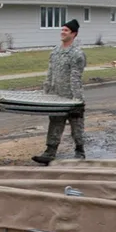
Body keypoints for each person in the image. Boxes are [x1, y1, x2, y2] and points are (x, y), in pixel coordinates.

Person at [33, 19, 87, 164]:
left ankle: (80, 151)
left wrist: (78, 101)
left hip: (71, 97)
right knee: (55, 123)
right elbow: (50, 73)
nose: (62, 32)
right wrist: (46, 92)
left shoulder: (77, 54)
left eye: (66, 30)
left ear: (74, 34)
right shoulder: (55, 52)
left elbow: (76, 77)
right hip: (56, 96)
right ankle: (50, 152)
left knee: (76, 125)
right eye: (62, 29)